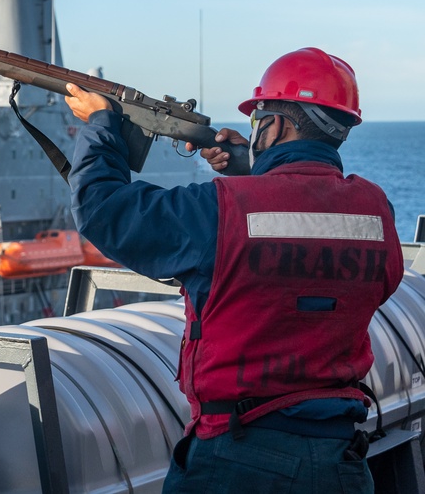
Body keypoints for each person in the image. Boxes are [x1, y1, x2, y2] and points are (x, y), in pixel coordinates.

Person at [64, 47, 404, 493]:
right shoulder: (374, 211)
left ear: (275, 124)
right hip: (339, 463)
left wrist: (102, 125)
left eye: (257, 120)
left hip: (236, 459)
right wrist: (253, 170)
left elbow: (104, 210)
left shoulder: (221, 210)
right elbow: (329, 256)